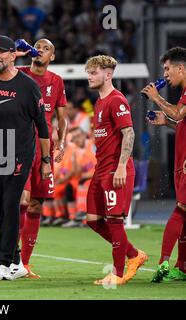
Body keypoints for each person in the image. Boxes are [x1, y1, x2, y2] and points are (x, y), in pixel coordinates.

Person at [0, 38, 68, 277]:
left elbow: (59, 118)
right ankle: (13, 259)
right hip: (15, 146)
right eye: (37, 46)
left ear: (53, 56)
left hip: (41, 148)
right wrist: (10, 56)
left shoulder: (55, 82)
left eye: (46, 48)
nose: (39, 50)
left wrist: (59, 144)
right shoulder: (15, 72)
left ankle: (22, 263)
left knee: (35, 204)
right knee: (18, 202)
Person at [85, 55, 147, 286]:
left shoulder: (116, 100)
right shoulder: (100, 102)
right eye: (88, 73)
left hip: (115, 169)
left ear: (108, 75)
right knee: (93, 219)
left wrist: (121, 166)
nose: (89, 77)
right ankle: (134, 254)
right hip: (101, 168)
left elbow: (128, 133)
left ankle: (118, 273)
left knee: (114, 220)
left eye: (94, 72)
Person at [142, 47, 186, 282]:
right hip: (182, 160)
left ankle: (163, 263)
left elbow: (179, 115)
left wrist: (156, 98)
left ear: (181, 67)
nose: (166, 75)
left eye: (168, 69)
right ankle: (182, 266)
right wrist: (165, 121)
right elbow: (180, 122)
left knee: (181, 209)